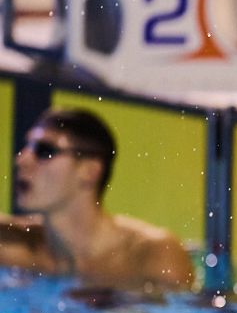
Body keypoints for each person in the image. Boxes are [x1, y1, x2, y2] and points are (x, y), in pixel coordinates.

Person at [0, 108, 194, 293]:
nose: (22, 160)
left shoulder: (152, 255)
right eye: (25, 148)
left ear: (89, 171)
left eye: (44, 151)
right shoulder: (13, 246)